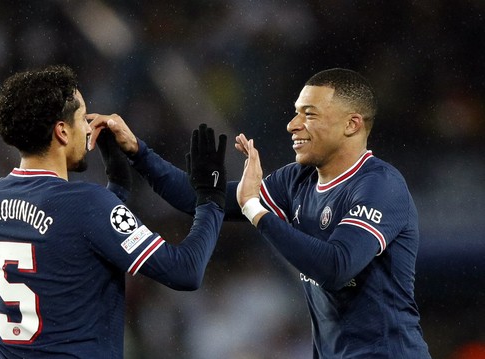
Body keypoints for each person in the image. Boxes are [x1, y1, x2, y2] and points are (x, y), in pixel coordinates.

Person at [102, 68, 431, 358]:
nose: (292, 125)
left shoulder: (379, 186)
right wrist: (137, 151)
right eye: (295, 113)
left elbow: (337, 267)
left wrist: (257, 211)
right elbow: (199, 199)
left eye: (309, 114)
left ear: (351, 124)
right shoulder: (295, 179)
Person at [0, 64, 227, 359]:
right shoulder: (86, 203)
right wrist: (212, 199)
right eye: (82, 118)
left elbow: (73, 241)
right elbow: (186, 271)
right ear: (62, 131)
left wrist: (117, 176)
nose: (88, 127)